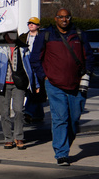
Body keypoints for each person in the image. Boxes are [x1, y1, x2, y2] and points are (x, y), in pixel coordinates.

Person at [29, 9, 94, 165]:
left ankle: (64, 146)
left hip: (77, 84)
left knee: (73, 118)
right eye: (61, 17)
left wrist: (87, 74)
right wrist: (44, 76)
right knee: (60, 117)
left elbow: (89, 57)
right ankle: (61, 153)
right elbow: (34, 59)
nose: (64, 20)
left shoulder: (79, 34)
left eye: (67, 17)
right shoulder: (46, 35)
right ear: (55, 18)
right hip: (54, 84)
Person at [0, 32, 29, 150]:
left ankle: (19, 137)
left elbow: (29, 66)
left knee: (19, 110)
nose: (11, 37)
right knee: (4, 113)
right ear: (5, 36)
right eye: (8, 34)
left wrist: (34, 83)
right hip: (1, 84)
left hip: (19, 84)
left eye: (13, 34)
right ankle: (8, 138)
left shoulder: (23, 48)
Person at [20, 17, 45, 124]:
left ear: (38, 26)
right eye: (29, 23)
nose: (31, 25)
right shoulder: (23, 37)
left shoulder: (43, 37)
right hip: (27, 65)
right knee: (33, 89)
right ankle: (38, 114)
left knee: (36, 89)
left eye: (33, 23)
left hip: (39, 66)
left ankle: (29, 112)